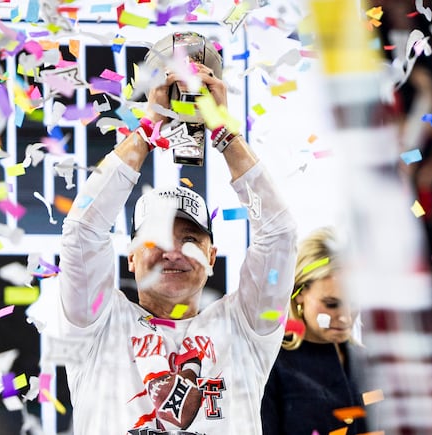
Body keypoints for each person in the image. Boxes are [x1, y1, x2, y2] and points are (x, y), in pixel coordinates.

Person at [51, 32, 298, 434]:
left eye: (190, 239)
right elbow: (82, 231)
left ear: (211, 256)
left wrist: (224, 132)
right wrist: (148, 130)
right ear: (131, 256)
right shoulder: (95, 325)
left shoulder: (247, 329)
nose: (174, 251)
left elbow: (280, 234)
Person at [261, 227, 367, 434]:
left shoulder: (368, 362)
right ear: (298, 292)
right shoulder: (271, 364)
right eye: (331, 304)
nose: (346, 317)